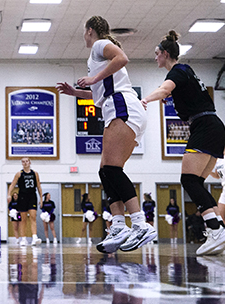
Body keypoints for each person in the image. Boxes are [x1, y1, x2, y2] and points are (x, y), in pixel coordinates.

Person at [58, 16, 154, 254]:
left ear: (89, 30)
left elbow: (122, 58)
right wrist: (76, 92)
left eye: (84, 31)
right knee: (106, 170)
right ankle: (119, 224)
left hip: (123, 107)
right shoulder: (96, 57)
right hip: (119, 107)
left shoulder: (100, 45)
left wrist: (92, 79)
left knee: (111, 169)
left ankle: (141, 224)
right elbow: (99, 96)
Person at [141, 31, 225, 255]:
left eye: (157, 54)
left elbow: (164, 89)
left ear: (165, 54)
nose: (155, 58)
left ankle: (216, 230)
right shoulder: (187, 72)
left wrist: (145, 99)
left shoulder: (178, 71)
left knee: (188, 180)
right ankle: (219, 229)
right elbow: (178, 93)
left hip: (204, 126)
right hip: (213, 126)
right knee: (197, 183)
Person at [7, 157, 43, 246]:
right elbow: (12, 184)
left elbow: (38, 186)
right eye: (23, 162)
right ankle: (23, 239)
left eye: (27, 161)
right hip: (22, 197)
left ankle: (34, 237)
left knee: (33, 217)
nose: (25, 163)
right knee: (23, 219)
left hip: (32, 196)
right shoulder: (19, 174)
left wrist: (41, 198)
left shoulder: (35, 173)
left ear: (30, 162)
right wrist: (9, 194)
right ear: (22, 163)